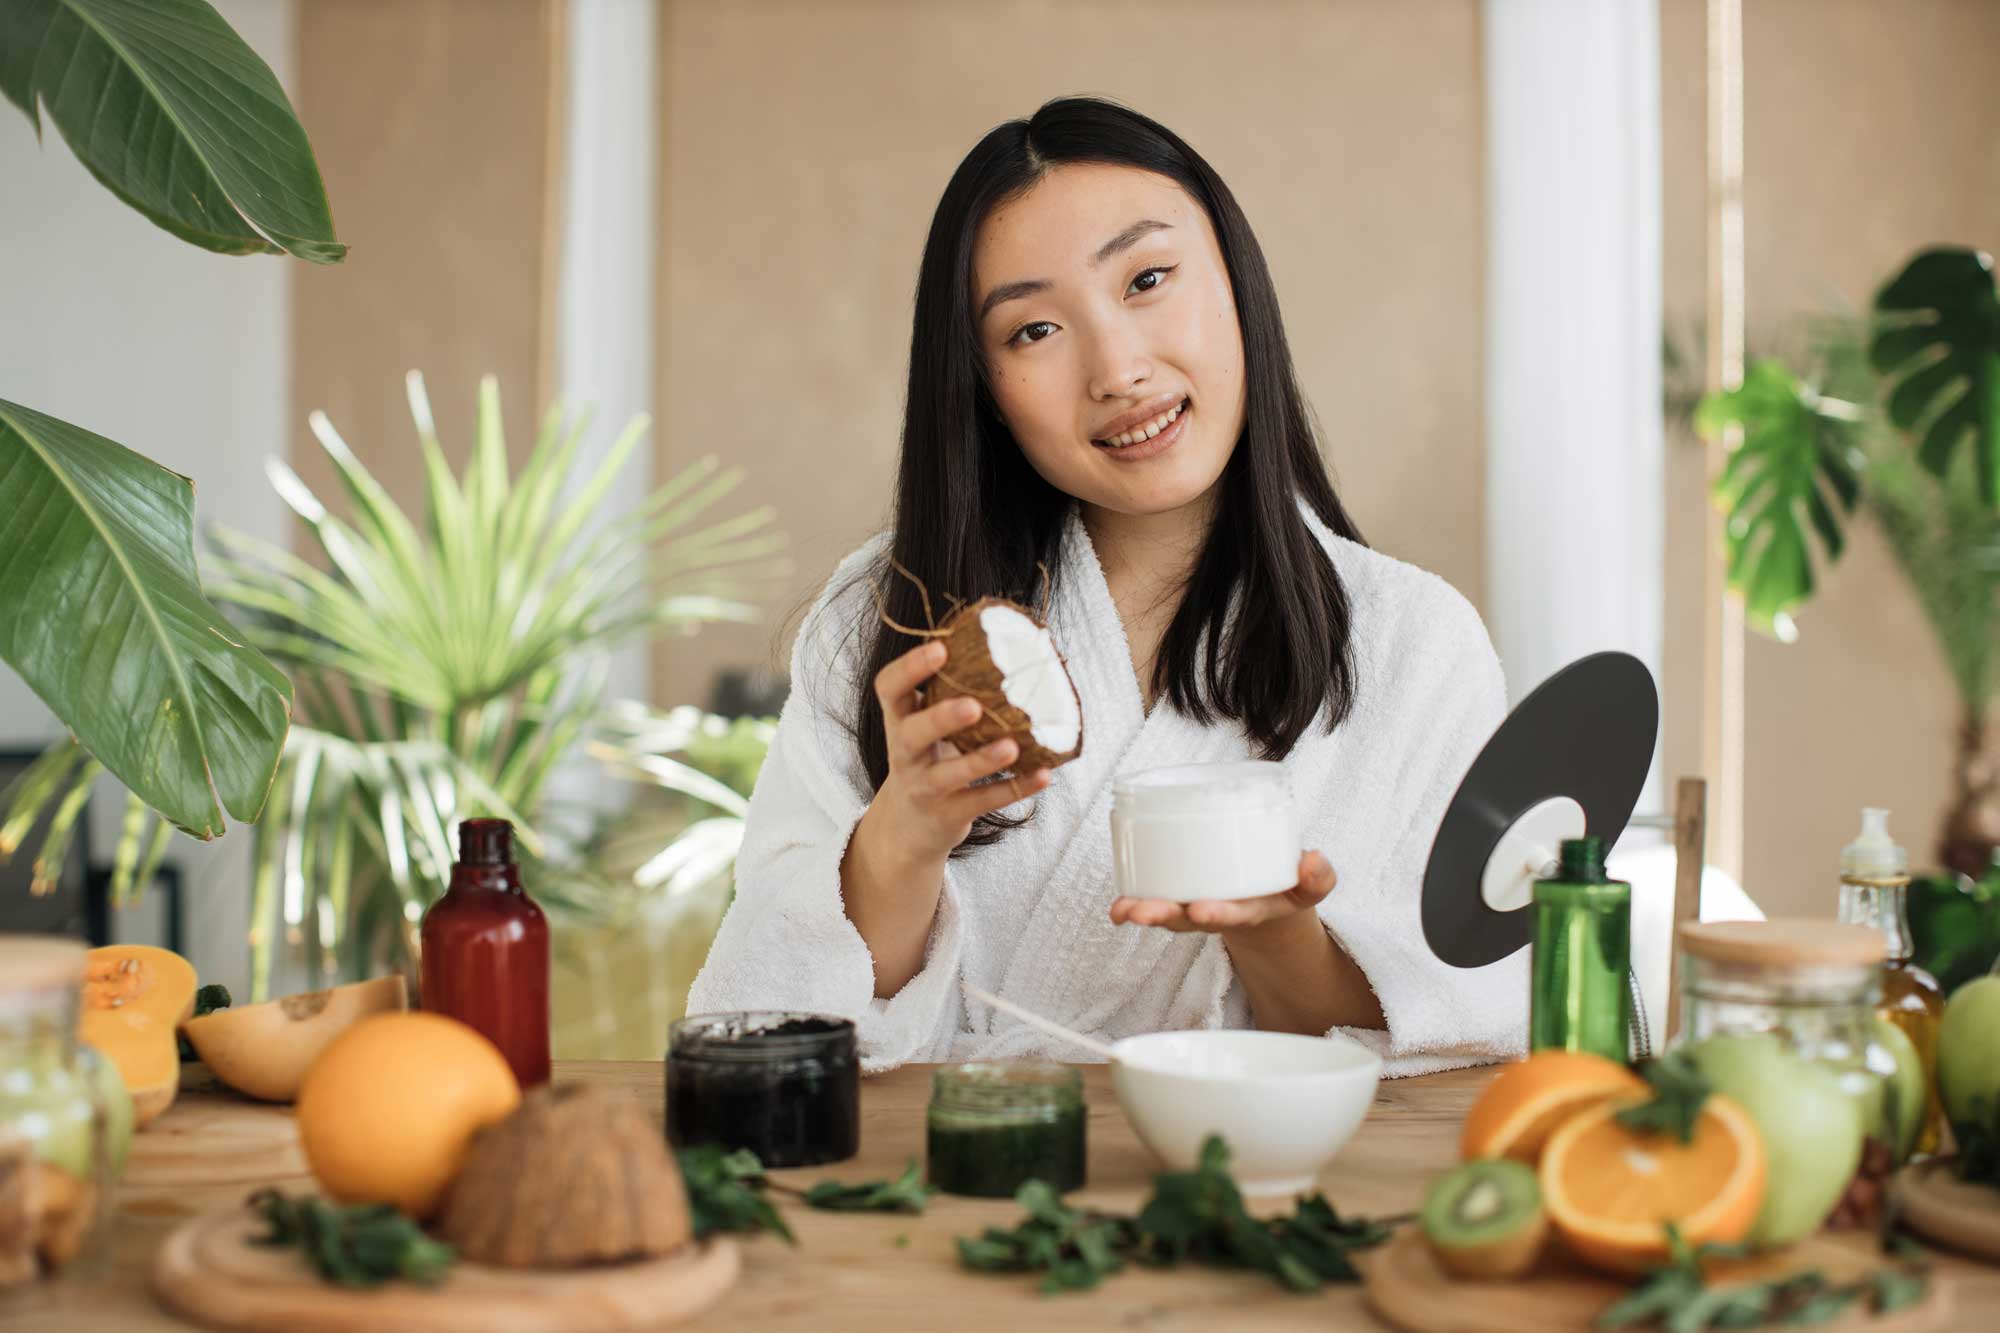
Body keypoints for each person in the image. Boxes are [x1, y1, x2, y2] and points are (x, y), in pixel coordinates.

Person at [687, 96, 1523, 1076]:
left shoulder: (1409, 642)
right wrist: (902, 837)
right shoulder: (885, 619)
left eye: (1149, 278)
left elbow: (1457, 1027)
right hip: (943, 1183)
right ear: (983, 388)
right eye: (1033, 330)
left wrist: (1271, 933)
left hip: (1243, 1192)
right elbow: (770, 1016)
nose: (1118, 369)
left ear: (1235, 283)